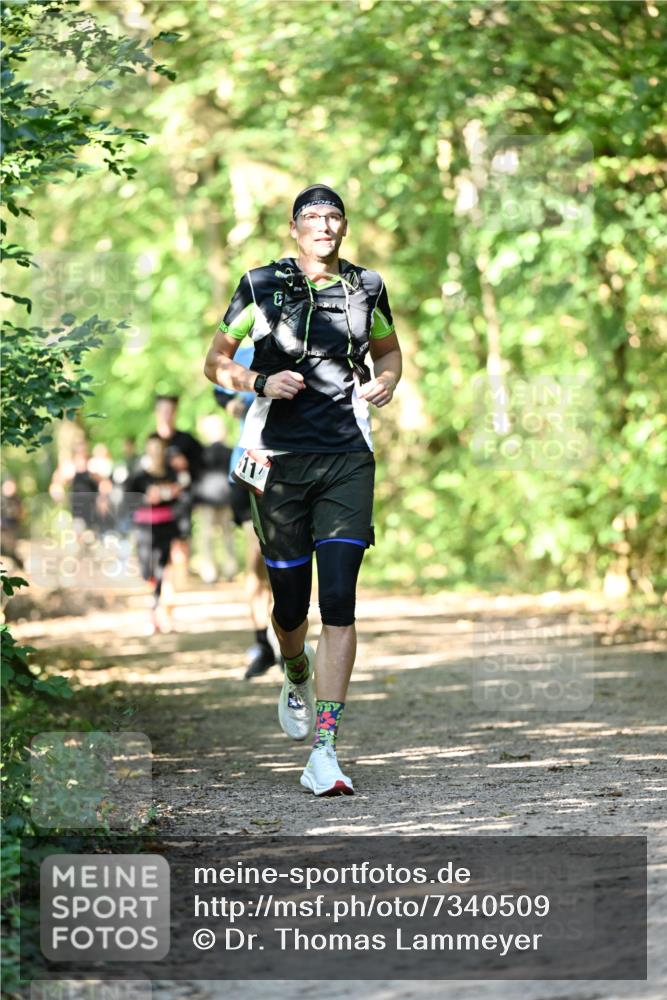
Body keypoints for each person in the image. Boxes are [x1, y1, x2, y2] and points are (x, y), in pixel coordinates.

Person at [204, 183, 402, 796]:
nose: (324, 224)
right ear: (294, 229)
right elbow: (215, 359)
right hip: (278, 460)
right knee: (290, 605)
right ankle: (294, 670)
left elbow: (389, 353)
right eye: (312, 217)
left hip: (348, 456)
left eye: (333, 215)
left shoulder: (367, 287)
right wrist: (257, 381)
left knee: (339, 598)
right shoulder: (260, 284)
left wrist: (387, 382)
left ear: (344, 228)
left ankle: (326, 750)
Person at [213, 344, 276, 680]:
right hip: (250, 461)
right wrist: (235, 403)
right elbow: (222, 393)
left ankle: (285, 638)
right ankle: (262, 641)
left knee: (285, 558)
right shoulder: (244, 351)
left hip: (293, 461)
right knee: (257, 555)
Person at [124, 434, 182, 635]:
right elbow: (126, 499)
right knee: (147, 571)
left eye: (159, 448)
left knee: (160, 570)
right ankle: (156, 608)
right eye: (152, 448)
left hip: (165, 526)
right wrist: (145, 498)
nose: (156, 452)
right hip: (143, 529)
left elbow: (181, 492)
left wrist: (172, 492)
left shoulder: (172, 473)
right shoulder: (138, 476)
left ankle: (156, 614)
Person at [154, 395, 204, 589]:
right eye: (163, 410)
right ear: (157, 413)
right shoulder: (152, 441)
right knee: (161, 546)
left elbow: (202, 468)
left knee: (180, 544)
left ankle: (177, 587)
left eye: (170, 411)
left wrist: (186, 466)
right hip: (158, 503)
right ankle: (166, 586)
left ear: (175, 413)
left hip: (182, 501)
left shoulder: (187, 440)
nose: (167, 415)